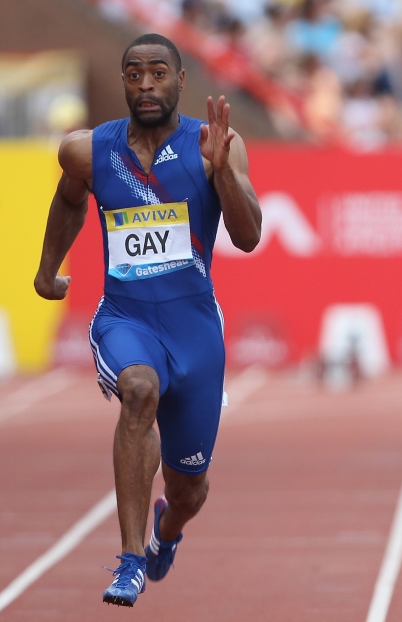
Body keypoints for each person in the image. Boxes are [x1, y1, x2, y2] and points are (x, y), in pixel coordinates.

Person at [33, 33, 261, 607]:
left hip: (195, 331)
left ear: (181, 81)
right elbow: (68, 200)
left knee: (189, 487)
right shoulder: (88, 150)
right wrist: (46, 272)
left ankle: (166, 532)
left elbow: (250, 236)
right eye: (134, 74)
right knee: (138, 390)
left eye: (159, 73)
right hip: (125, 318)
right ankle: (130, 559)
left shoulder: (217, 146)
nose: (146, 84)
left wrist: (223, 176)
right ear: (123, 83)